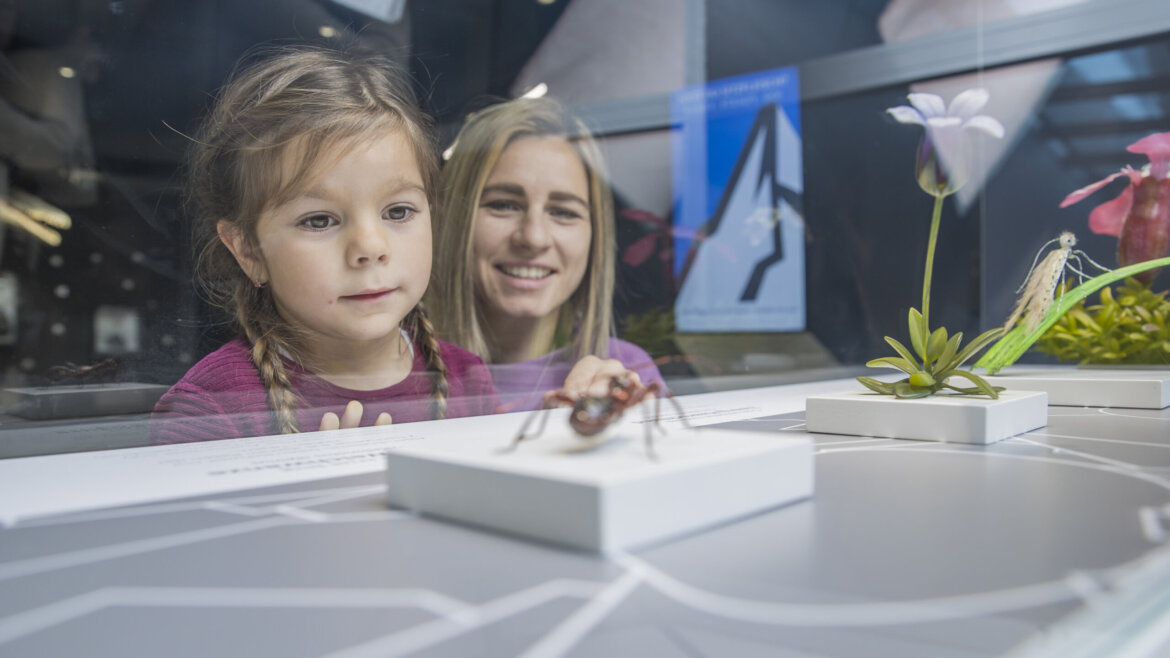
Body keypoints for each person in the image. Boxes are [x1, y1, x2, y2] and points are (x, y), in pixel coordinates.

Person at [150, 46, 497, 443]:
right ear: (248, 250)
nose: (370, 246)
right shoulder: (208, 412)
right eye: (319, 220)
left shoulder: (470, 379)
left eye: (398, 212)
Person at [429, 96, 665, 412]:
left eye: (564, 212)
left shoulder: (626, 373)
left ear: (594, 238)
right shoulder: (399, 375)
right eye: (503, 205)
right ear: (452, 221)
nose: (534, 237)